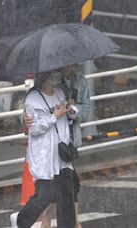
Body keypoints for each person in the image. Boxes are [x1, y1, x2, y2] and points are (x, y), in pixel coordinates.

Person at [24, 64, 89, 228]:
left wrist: (72, 108)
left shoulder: (80, 82)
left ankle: (66, 222)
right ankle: (62, 222)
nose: (68, 66)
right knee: (55, 190)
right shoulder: (46, 85)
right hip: (47, 148)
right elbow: (31, 116)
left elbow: (84, 111)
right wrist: (25, 119)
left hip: (67, 144)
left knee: (66, 187)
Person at [11, 71, 76, 228]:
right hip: (44, 156)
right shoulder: (32, 99)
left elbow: (69, 118)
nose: (55, 78)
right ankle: (20, 221)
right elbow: (33, 129)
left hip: (62, 152)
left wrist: (72, 111)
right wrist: (54, 117)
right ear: (44, 79)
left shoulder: (60, 93)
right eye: (51, 76)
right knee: (44, 196)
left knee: (67, 195)